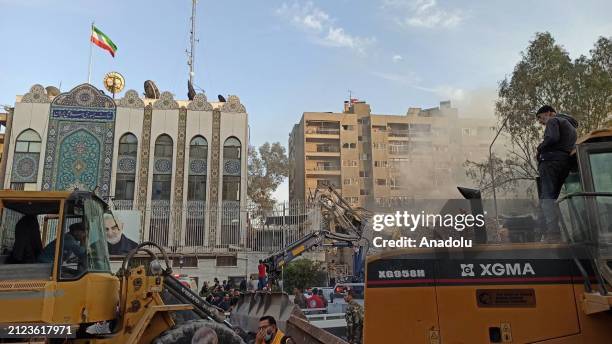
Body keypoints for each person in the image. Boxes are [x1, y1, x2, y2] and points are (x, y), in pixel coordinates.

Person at [535, 105, 578, 242]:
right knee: (551, 198)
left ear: (548, 113)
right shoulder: (571, 127)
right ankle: (550, 232)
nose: (541, 122)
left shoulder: (554, 121)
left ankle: (552, 233)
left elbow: (552, 138)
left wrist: (539, 148)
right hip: (563, 164)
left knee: (546, 197)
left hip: (550, 162)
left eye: (541, 118)